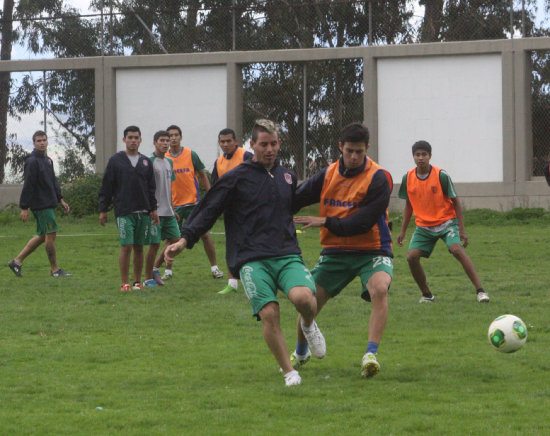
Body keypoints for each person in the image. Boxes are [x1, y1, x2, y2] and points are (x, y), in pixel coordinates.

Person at [165, 119, 326, 387]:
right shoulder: (236, 177)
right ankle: (289, 371)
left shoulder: (286, 176)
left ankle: (308, 325)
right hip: (251, 259)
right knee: (270, 313)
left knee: (304, 299)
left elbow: (294, 201)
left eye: (274, 144)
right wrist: (185, 239)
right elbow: (209, 207)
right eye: (264, 144)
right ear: (252, 145)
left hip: (286, 254)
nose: (270, 149)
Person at [292, 122, 393, 378]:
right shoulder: (328, 175)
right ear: (340, 147)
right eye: (349, 151)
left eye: (359, 151)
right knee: (308, 302)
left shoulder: (379, 178)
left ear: (367, 149)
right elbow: (295, 199)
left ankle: (371, 355)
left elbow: (363, 222)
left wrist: (324, 221)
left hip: (372, 249)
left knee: (380, 289)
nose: (354, 157)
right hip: (335, 252)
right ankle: (301, 351)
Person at [396, 140, 490, 303]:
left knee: (457, 250)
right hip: (423, 226)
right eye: (417, 155)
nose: (421, 158)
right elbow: (408, 205)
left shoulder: (441, 175)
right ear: (413, 157)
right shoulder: (408, 177)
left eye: (424, 154)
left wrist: (462, 231)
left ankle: (480, 291)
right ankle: (427, 295)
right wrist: (403, 231)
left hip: (447, 223)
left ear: (430, 156)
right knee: (411, 257)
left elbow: (456, 202)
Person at [98, 125, 159, 292]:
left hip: (144, 212)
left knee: (139, 247)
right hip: (124, 211)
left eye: (136, 138)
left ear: (140, 140)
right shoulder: (116, 160)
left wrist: (153, 209)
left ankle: (137, 282)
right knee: (127, 246)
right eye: (130, 138)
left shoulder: (146, 162)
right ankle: (125, 282)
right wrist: (103, 210)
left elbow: (151, 188)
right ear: (124, 140)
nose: (133, 141)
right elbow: (107, 187)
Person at [158, 124, 223, 281]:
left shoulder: (191, 154)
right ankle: (165, 271)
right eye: (170, 136)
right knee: (172, 239)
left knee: (205, 235)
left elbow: (202, 174)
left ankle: (214, 268)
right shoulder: (164, 158)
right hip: (175, 206)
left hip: (194, 204)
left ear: (181, 137)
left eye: (176, 135)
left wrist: (210, 194)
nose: (173, 138)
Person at [8, 130, 71, 278]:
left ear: (47, 142)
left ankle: (16, 262)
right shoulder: (32, 161)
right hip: (41, 206)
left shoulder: (48, 160)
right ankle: (55, 270)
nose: (42, 143)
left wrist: (61, 199)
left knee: (43, 236)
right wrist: (24, 207)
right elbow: (28, 185)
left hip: (49, 203)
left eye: (44, 140)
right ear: (34, 143)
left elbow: (53, 181)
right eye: (38, 140)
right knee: (50, 235)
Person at [211, 128, 253, 295]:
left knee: (251, 242)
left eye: (229, 141)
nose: (225, 144)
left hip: (250, 209)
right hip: (231, 210)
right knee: (232, 244)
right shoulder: (219, 162)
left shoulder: (246, 157)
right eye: (222, 141)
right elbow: (216, 187)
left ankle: (260, 278)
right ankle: (232, 283)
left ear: (236, 141)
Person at [143, 130, 182, 287]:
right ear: (155, 142)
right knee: (154, 244)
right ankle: (147, 279)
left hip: (168, 212)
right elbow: (145, 188)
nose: (166, 143)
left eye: (167, 140)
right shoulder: (149, 162)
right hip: (155, 212)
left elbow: (168, 188)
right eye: (162, 140)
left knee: (176, 240)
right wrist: (150, 209)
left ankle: (155, 268)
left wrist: (173, 208)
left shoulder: (169, 162)